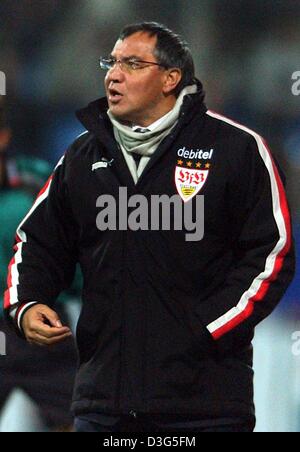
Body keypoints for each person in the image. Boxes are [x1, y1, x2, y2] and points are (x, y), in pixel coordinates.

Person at [3, 22, 295, 433]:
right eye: (112, 62)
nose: (113, 74)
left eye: (132, 63)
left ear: (171, 79)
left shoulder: (237, 149)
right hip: (103, 403)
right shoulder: (82, 155)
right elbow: (38, 240)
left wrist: (205, 328)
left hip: (205, 406)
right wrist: (29, 304)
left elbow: (272, 252)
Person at [0, 99, 79, 431]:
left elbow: (75, 256)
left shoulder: (36, 184)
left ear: (3, 137)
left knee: (86, 418)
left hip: (40, 328)